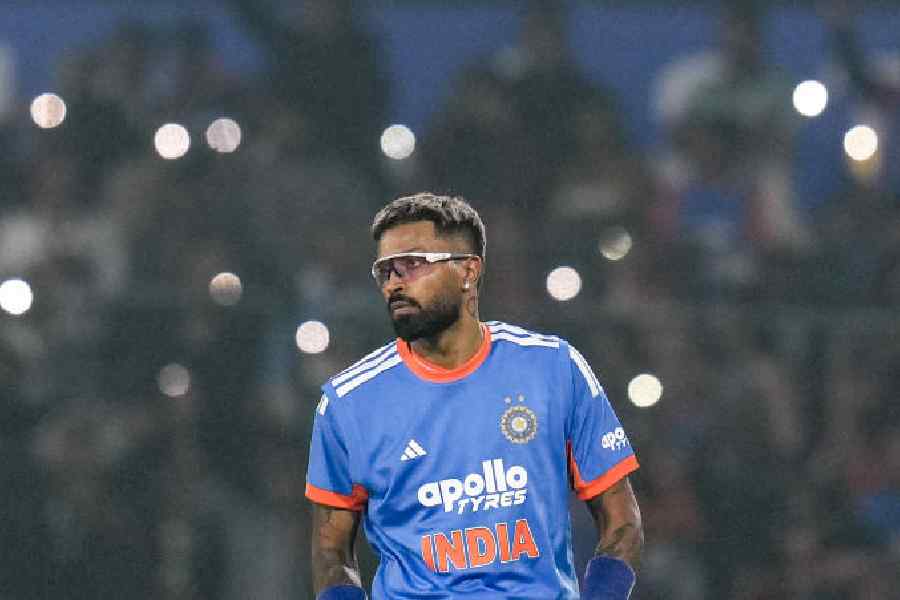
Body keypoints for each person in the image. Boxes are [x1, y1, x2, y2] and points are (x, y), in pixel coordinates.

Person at [305, 193, 643, 599]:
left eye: (412, 265)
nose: (394, 283)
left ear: (468, 270)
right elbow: (331, 551)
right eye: (385, 271)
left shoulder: (553, 368)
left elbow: (622, 520)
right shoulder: (348, 403)